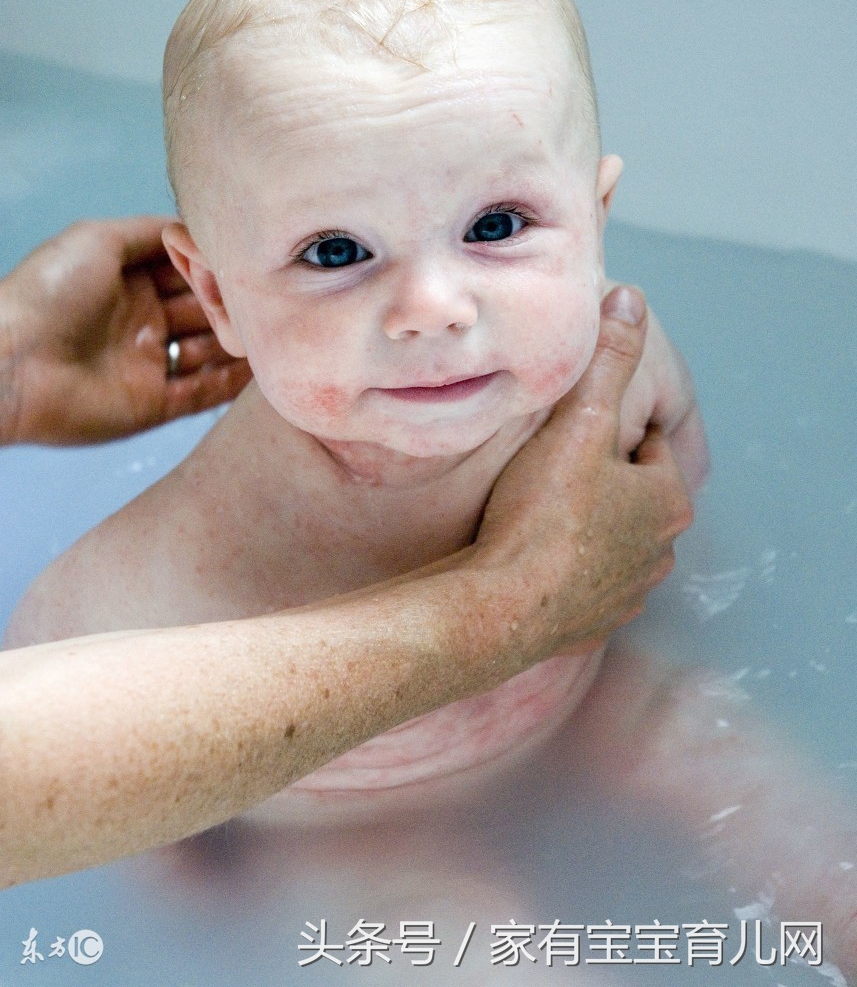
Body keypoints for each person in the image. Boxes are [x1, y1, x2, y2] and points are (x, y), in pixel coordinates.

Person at [0, 217, 692, 887]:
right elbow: (60, 775)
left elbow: (668, 508)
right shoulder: (125, 592)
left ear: (592, 216)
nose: (433, 309)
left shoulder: (615, 351)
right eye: (335, 251)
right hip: (363, 846)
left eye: (495, 225)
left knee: (734, 775)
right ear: (217, 295)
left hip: (602, 704)